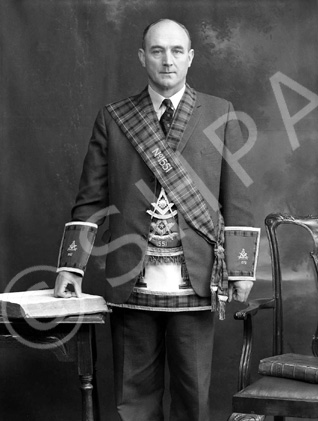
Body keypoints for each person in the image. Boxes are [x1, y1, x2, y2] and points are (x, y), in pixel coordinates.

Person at [54, 18, 258, 421]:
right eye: (158, 51)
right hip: (132, 278)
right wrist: (71, 267)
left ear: (191, 58)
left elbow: (237, 198)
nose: (168, 61)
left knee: (193, 397)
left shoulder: (221, 112)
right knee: (133, 400)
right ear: (142, 57)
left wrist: (240, 269)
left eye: (177, 51)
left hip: (196, 278)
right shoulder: (115, 118)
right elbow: (90, 199)